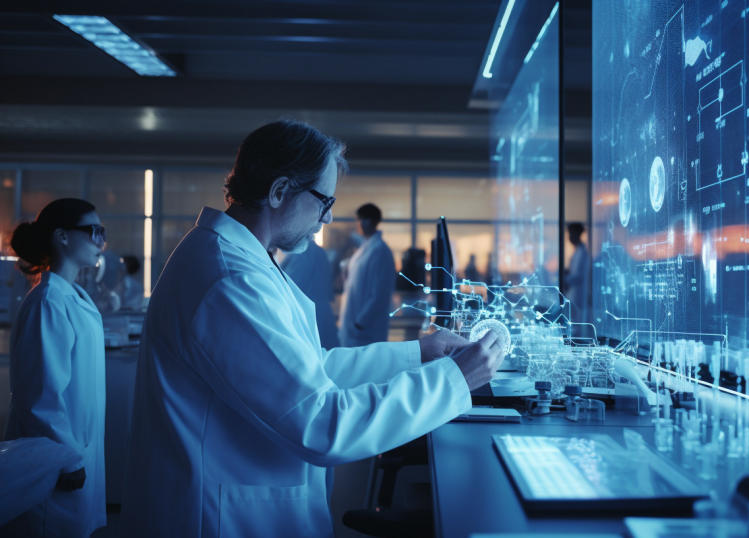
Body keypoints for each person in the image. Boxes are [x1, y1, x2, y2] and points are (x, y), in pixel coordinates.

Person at [121, 120, 506, 537]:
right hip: (222, 518)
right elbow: (321, 425)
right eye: (324, 201)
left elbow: (312, 369)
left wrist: (419, 354)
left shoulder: (240, 259)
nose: (328, 217)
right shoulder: (229, 279)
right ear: (279, 191)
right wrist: (454, 380)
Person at [3, 198, 107, 537]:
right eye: (93, 231)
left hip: (76, 450)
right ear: (62, 237)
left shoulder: (71, 297)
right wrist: (69, 460)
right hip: (57, 461)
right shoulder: (48, 303)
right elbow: (42, 399)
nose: (100, 242)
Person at [338, 203, 396, 346]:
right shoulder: (365, 248)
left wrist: (361, 322)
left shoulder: (380, 251)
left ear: (367, 221)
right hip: (355, 323)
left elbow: (380, 293)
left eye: (359, 219)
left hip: (365, 328)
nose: (357, 224)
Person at [281, 241, 340, 347]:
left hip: (310, 311)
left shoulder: (302, 253)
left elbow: (292, 284)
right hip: (320, 308)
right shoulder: (319, 251)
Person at [564, 222, 590, 327]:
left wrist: (565, 279)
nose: (569, 237)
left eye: (571, 233)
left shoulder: (582, 253)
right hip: (574, 294)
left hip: (578, 295)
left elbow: (579, 277)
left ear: (577, 234)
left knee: (577, 324)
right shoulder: (578, 252)